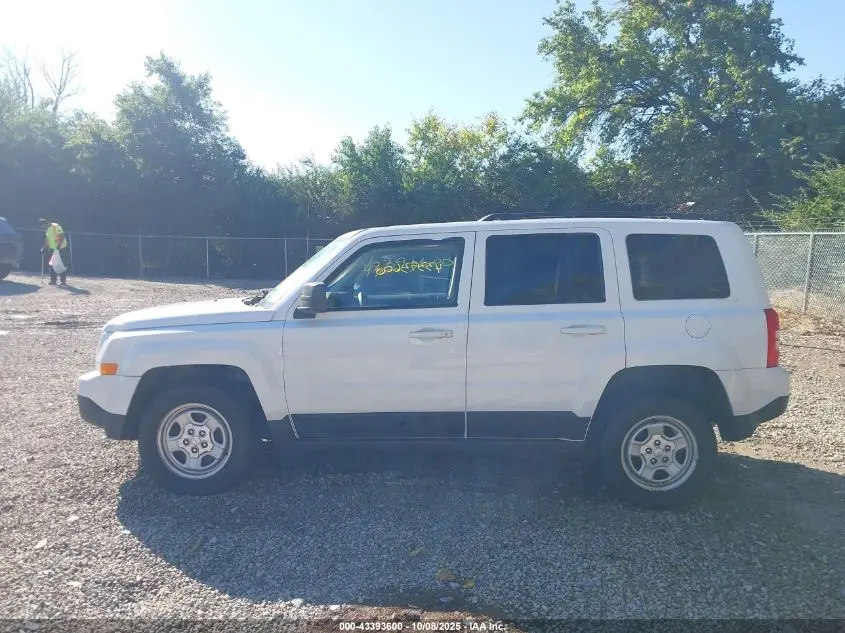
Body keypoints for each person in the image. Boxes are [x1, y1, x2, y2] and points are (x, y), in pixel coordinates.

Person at [39, 218, 69, 285]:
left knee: (60, 264)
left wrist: (59, 245)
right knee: (52, 264)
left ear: (46, 223)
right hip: (52, 248)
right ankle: (53, 280)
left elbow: (62, 236)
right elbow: (47, 239)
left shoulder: (56, 226)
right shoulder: (47, 230)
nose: (44, 228)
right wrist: (44, 247)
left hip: (61, 248)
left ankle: (63, 280)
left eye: (44, 226)